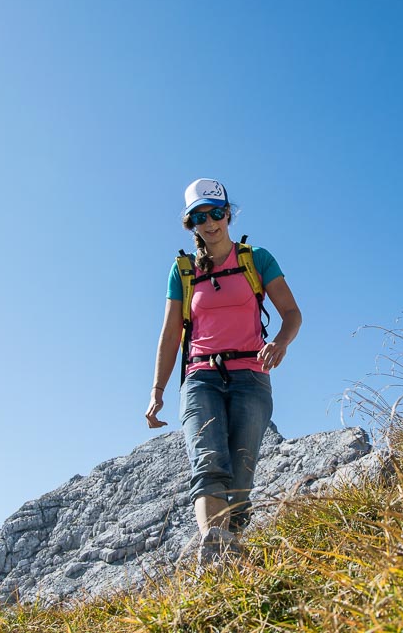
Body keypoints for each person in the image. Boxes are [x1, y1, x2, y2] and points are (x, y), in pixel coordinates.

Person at [145, 178, 302, 567]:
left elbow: (292, 314)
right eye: (200, 216)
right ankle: (215, 560)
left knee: (241, 479)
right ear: (191, 223)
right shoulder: (181, 271)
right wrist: (157, 390)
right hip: (200, 377)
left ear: (228, 214)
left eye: (216, 213)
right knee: (208, 462)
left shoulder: (256, 259)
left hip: (251, 375)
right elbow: (169, 336)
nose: (210, 222)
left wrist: (280, 342)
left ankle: (232, 555)